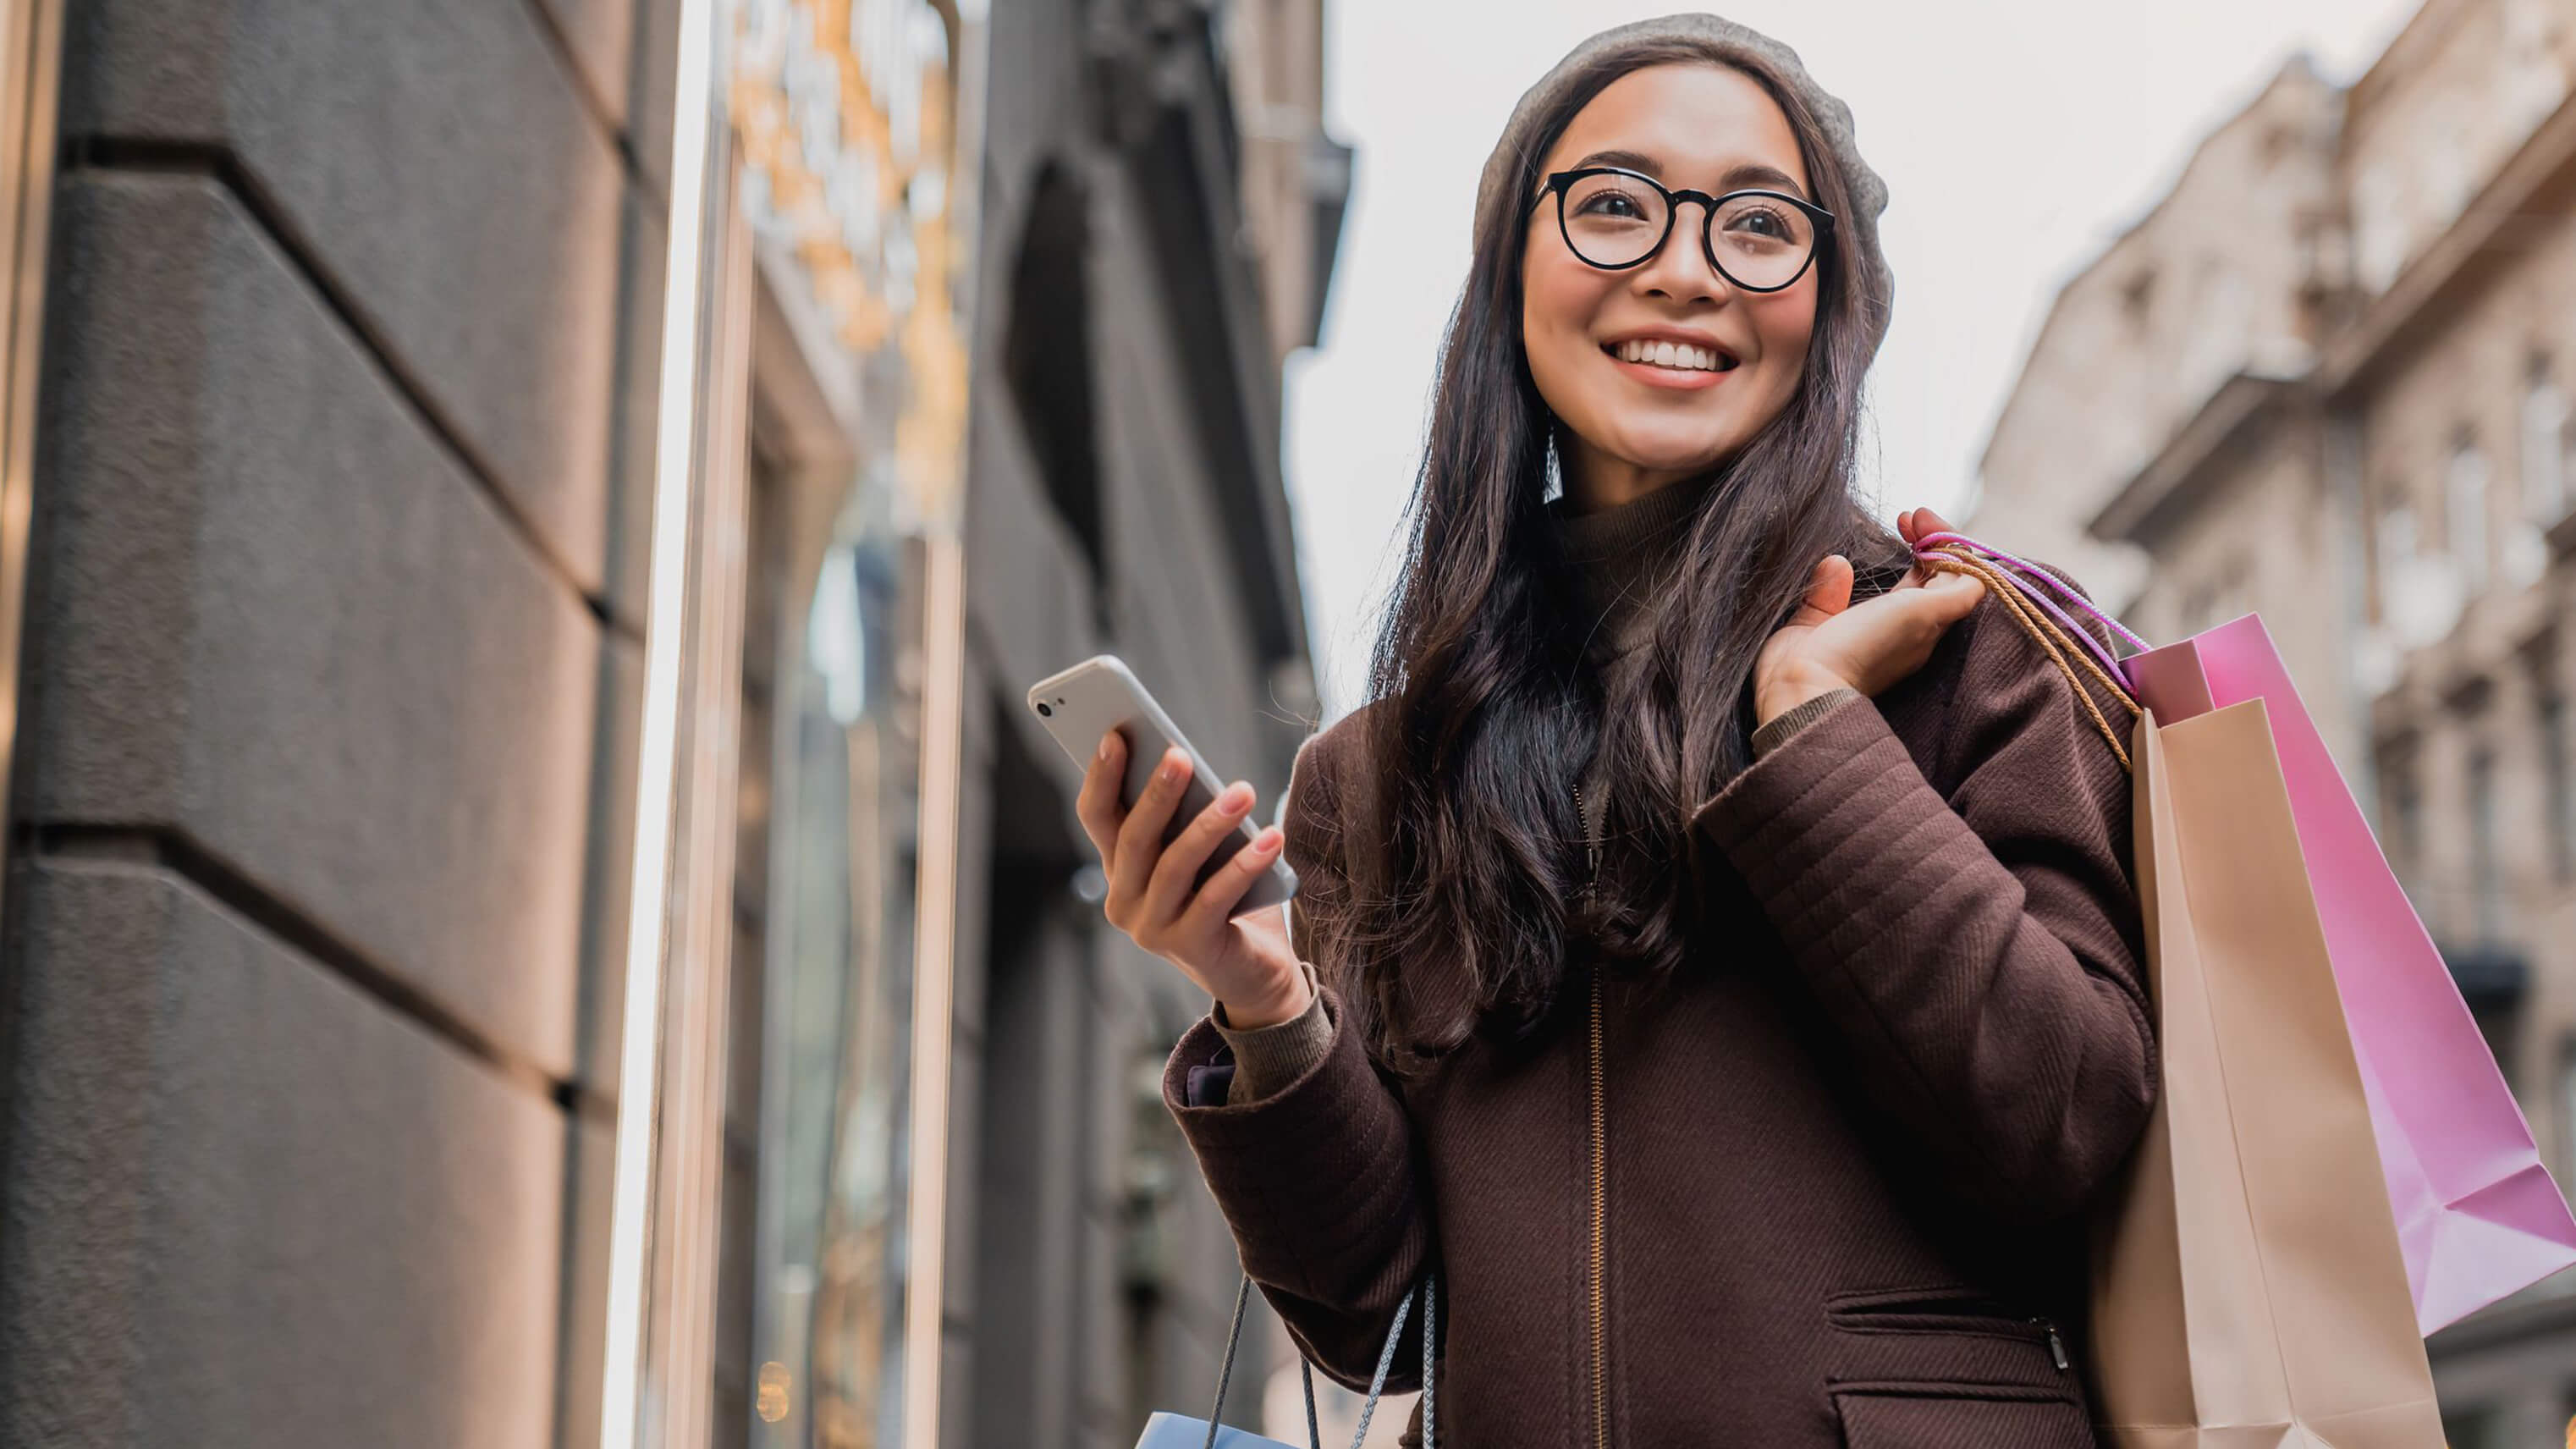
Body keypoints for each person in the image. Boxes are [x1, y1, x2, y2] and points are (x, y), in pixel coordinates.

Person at [1076, 14, 2151, 1447]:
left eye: (1759, 226)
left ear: (1832, 304)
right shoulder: (1381, 772)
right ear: (1512, 272)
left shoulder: (1966, 652)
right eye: (1616, 206)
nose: (1685, 268)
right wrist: (1269, 1009)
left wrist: (1817, 740)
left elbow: (2065, 1129)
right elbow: (1370, 1316)